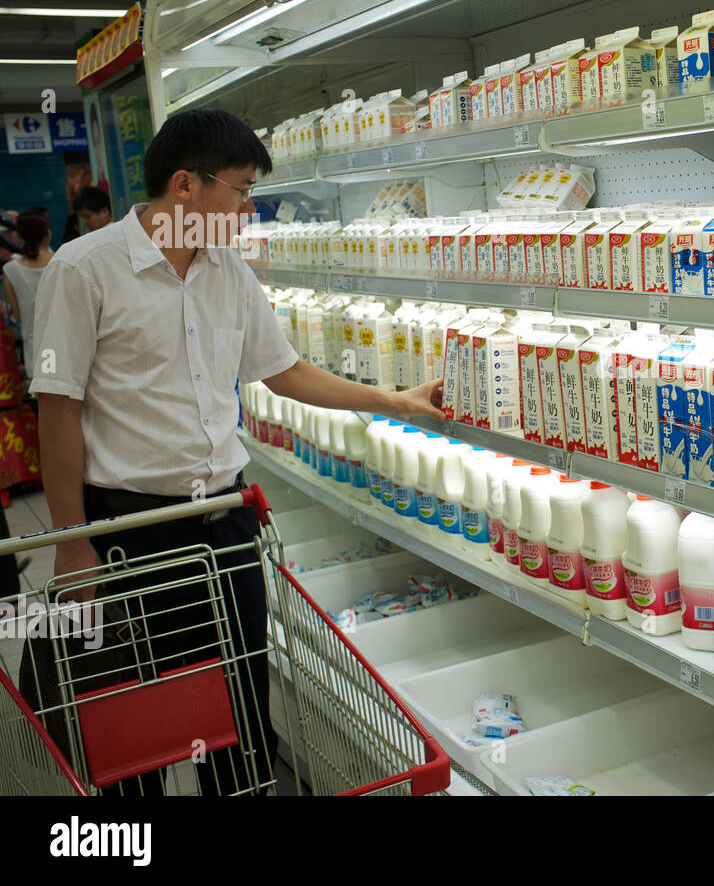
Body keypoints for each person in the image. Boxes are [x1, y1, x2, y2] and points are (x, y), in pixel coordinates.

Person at [30, 107, 444, 794]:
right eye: (242, 189)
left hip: (224, 520)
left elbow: (284, 372)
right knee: (138, 718)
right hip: (130, 529)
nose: (249, 208)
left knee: (237, 701)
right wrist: (73, 542)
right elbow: (58, 408)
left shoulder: (229, 273)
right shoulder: (85, 269)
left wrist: (396, 402)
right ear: (186, 186)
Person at [4, 209, 55, 380]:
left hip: (35, 350)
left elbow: (17, 314)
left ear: (18, 236)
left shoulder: (10, 270)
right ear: (47, 233)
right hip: (67, 346)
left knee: (44, 403)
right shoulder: (62, 261)